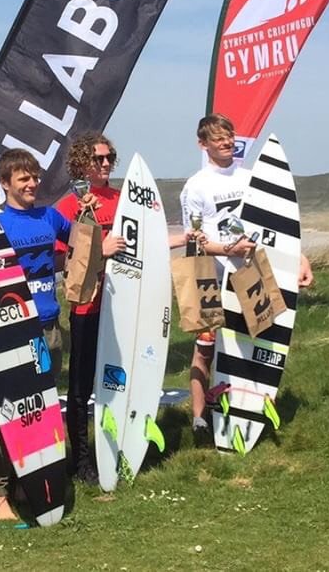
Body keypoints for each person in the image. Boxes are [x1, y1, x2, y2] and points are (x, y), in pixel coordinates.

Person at [55, 132, 190, 483]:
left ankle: (114, 447)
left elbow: (147, 244)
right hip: (88, 306)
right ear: (82, 162)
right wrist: (101, 248)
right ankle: (80, 460)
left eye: (109, 158)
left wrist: (183, 239)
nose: (104, 164)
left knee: (115, 379)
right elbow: (62, 257)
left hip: (124, 306)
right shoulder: (71, 206)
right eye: (97, 159)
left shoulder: (123, 200)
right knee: (81, 387)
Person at [180, 114, 313, 444]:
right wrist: (228, 247)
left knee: (256, 341)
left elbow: (275, 228)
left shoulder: (250, 177)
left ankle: (248, 406)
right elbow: (194, 238)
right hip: (211, 274)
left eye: (229, 135)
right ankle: (199, 418)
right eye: (217, 138)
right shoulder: (196, 187)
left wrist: (300, 257)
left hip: (250, 272)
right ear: (203, 144)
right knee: (206, 349)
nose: (225, 142)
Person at [0, 148, 73, 520]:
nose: (33, 183)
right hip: (12, 330)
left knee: (43, 410)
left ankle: (32, 483)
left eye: (35, 176)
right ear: (5, 184)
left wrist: (103, 244)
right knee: (9, 411)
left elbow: (83, 242)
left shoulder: (50, 216)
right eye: (24, 178)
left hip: (50, 326)